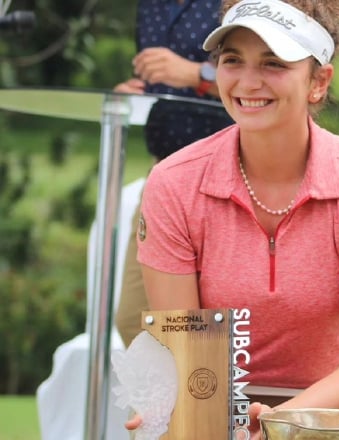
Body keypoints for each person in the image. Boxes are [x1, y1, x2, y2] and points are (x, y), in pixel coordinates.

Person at [128, 0, 339, 437]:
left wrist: (275, 425)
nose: (248, 82)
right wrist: (183, 411)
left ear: (318, 82)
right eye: (232, 61)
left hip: (330, 414)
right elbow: (182, 352)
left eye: (273, 64)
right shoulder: (173, 182)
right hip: (210, 405)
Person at [113, 0, 234, 347]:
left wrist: (198, 74)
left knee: (208, 325)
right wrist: (134, 91)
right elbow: (163, 78)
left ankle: (216, 399)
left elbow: (274, 76)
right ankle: (179, 401)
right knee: (134, 321)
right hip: (164, 174)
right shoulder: (150, 5)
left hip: (231, 174)